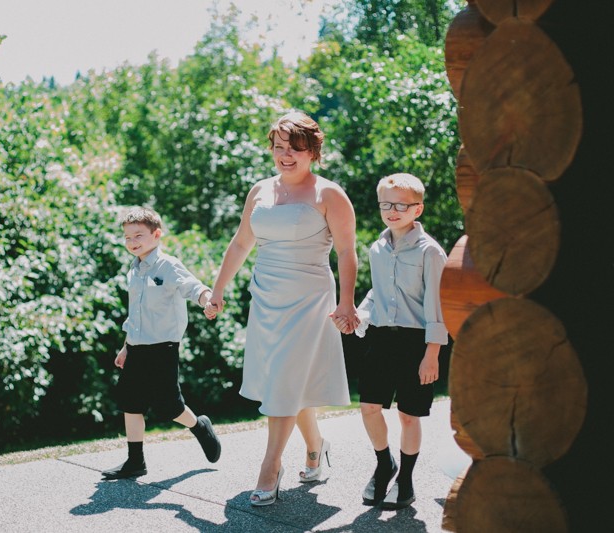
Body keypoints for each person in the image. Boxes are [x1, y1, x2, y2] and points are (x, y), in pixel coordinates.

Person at [205, 111, 360, 506]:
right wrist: (218, 290)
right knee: (286, 380)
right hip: (266, 297)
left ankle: (270, 467)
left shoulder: (330, 195)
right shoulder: (259, 190)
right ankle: (316, 447)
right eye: (279, 148)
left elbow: (346, 252)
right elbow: (241, 244)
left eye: (295, 148)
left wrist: (346, 301)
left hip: (310, 300)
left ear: (313, 151)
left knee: (286, 380)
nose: (285, 155)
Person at [334, 172, 448, 509]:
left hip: (417, 343)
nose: (392, 210)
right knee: (369, 408)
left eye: (401, 205)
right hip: (381, 340)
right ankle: (384, 465)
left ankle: (407, 480)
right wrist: (357, 317)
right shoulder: (377, 248)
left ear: (418, 209)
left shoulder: (431, 252)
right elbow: (377, 294)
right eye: (386, 204)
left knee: (409, 415)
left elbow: (436, 306)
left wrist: (432, 354)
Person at [102, 206, 222, 479]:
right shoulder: (134, 271)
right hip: (136, 348)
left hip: (163, 348)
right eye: (128, 237)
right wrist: (125, 346)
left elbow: (193, 286)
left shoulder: (168, 265)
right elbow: (135, 314)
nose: (132, 242)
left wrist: (207, 301)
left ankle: (199, 426)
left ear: (156, 235)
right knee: (130, 403)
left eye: (139, 236)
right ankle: (135, 462)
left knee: (169, 407)